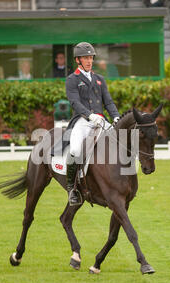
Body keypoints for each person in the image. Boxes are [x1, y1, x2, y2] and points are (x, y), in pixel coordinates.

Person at [64, 42, 120, 206]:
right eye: (85, 58)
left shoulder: (99, 79)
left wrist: (115, 117)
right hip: (82, 121)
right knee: (75, 150)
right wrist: (89, 115)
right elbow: (74, 102)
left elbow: (108, 102)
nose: (89, 61)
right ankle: (72, 189)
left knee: (119, 143)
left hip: (101, 120)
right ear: (78, 60)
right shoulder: (72, 80)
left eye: (90, 58)